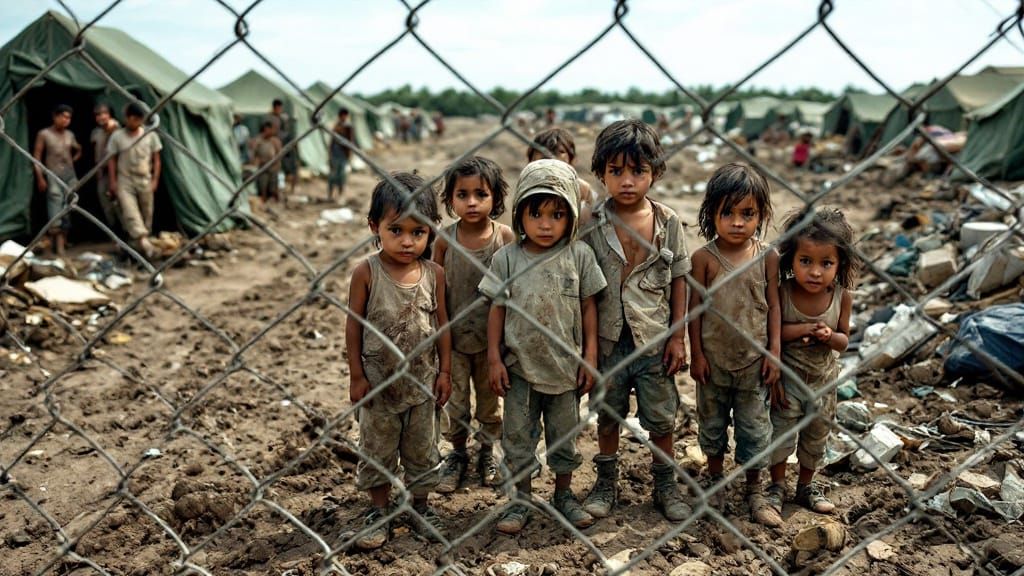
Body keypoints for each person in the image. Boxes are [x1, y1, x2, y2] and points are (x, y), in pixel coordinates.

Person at [479, 159, 607, 535]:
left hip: (566, 370)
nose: (546, 224)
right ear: (520, 215)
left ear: (571, 216)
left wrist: (590, 357)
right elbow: (496, 309)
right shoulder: (506, 258)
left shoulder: (579, 256)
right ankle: (520, 499)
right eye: (536, 214)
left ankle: (564, 495)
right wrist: (493, 360)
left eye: (557, 214)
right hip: (519, 368)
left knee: (564, 437)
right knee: (518, 437)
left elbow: (588, 307)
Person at [581, 119, 692, 523]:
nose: (627, 181)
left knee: (661, 418)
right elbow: (583, 289)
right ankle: (605, 483)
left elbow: (680, 280)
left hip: (654, 340)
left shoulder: (668, 222)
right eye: (616, 171)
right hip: (608, 340)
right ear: (601, 174)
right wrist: (587, 347)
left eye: (638, 171)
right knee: (608, 414)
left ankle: (665, 485)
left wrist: (677, 337)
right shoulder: (591, 222)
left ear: (655, 173)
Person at [346, 171, 451, 550]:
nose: (408, 242)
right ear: (375, 226)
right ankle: (378, 510)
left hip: (422, 383)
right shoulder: (366, 273)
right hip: (378, 383)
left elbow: (442, 327)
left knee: (422, 448)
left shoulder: (434, 274)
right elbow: (354, 328)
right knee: (377, 448)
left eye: (418, 232)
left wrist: (446, 372)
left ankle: (421, 507)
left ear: (431, 230)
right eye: (397, 231)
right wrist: (357, 376)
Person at [688, 162, 783, 527]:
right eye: (727, 212)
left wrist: (774, 352)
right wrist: (696, 354)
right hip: (713, 362)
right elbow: (694, 312)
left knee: (754, 430)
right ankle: (715, 481)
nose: (738, 222)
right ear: (712, 213)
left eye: (748, 213)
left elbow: (773, 306)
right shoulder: (704, 260)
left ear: (761, 215)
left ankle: (755, 490)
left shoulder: (767, 257)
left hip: (753, 364)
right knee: (711, 427)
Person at [766, 208, 858, 517]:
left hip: (823, 381)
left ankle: (806, 486)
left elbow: (844, 341)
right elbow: (773, 331)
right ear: (791, 259)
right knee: (781, 433)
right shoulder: (784, 291)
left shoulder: (842, 296)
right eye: (805, 261)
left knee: (816, 435)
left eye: (826, 263)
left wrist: (829, 336)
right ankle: (777, 485)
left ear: (839, 264)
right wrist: (803, 330)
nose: (815, 272)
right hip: (787, 378)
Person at [433, 157, 515, 493]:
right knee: (455, 402)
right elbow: (435, 292)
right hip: (453, 339)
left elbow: (514, 290)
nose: (471, 202)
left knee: (489, 402)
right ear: (450, 199)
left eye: (480, 194)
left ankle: (486, 451)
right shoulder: (444, 240)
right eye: (462, 195)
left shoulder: (504, 237)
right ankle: (456, 454)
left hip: (492, 341)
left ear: (495, 198)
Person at [107, 102, 161, 258]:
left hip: (145, 179)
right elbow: (111, 159)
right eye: (133, 119)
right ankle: (143, 242)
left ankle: (138, 245)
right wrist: (113, 181)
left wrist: (155, 179)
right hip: (125, 180)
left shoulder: (150, 136)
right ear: (127, 118)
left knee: (147, 213)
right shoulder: (117, 136)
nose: (136, 122)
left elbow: (157, 159)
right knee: (130, 211)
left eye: (139, 119)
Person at [33, 104, 81, 257]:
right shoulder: (45, 134)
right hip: (52, 174)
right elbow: (37, 157)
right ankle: (57, 246)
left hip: (69, 175)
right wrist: (40, 177)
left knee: (69, 205)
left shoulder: (70, 135)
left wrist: (75, 156)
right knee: (55, 206)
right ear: (55, 116)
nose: (66, 120)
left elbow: (78, 148)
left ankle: (64, 243)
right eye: (63, 116)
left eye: (69, 117)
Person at [526, 128, 597, 223]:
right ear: (531, 160)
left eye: (560, 152)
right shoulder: (528, 187)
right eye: (544, 155)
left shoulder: (582, 188)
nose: (551, 159)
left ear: (572, 160)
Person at [90, 103, 120, 229]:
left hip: (118, 171)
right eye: (98, 115)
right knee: (106, 204)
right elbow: (95, 151)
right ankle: (115, 233)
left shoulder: (116, 128)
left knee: (120, 203)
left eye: (104, 113)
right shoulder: (95, 133)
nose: (101, 117)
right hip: (102, 172)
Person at [266, 99, 297, 197]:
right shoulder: (270, 118)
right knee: (275, 167)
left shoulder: (284, 117)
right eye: (278, 108)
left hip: (285, 144)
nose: (279, 110)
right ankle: (275, 190)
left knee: (290, 167)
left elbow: (287, 131)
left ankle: (290, 188)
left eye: (280, 108)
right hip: (275, 144)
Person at [249, 121, 283, 204]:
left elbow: (279, 153)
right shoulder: (259, 140)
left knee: (273, 186)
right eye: (266, 130)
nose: (268, 132)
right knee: (262, 185)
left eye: (269, 130)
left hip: (273, 166)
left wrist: (277, 163)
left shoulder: (275, 141)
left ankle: (275, 201)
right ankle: (263, 201)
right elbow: (253, 152)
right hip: (262, 166)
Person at [328, 108, 354, 201]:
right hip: (335, 154)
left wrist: (349, 154)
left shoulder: (348, 127)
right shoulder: (336, 126)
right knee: (332, 175)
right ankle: (330, 195)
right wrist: (329, 153)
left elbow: (350, 141)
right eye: (342, 115)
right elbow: (331, 141)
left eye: (345, 115)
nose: (344, 117)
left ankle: (340, 195)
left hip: (343, 154)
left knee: (342, 175)